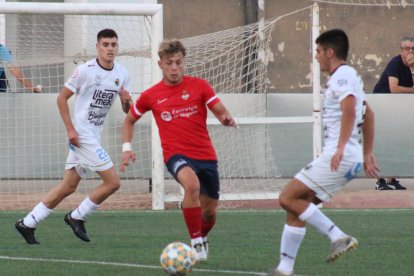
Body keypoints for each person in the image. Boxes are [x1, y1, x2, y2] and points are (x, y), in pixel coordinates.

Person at [270, 29, 380, 276]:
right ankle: (285, 268)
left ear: (330, 52)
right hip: (348, 157)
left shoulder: (342, 76)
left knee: (287, 198)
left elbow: (351, 109)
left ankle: (338, 236)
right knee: (297, 206)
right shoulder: (349, 76)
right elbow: (368, 113)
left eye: (318, 51)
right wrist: (367, 153)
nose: (316, 56)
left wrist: (341, 147)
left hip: (338, 156)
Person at [120, 39, 237, 261]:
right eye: (169, 63)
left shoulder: (200, 85)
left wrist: (226, 118)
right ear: (160, 64)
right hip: (176, 154)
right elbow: (128, 121)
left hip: (205, 155)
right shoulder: (150, 95)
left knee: (210, 212)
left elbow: (220, 110)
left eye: (178, 62)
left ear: (184, 62)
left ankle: (202, 237)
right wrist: (127, 149)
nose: (174, 68)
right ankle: (195, 243)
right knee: (191, 185)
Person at [15, 29, 132, 244]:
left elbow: (127, 111)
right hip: (81, 135)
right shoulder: (84, 70)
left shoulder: (122, 74)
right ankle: (77, 216)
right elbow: (61, 98)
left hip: (94, 135)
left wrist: (126, 101)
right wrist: (70, 129)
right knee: (113, 182)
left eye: (113, 45)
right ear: (97, 46)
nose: (110, 49)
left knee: (68, 187)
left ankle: (28, 223)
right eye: (105, 44)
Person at [371, 36, 414, 190]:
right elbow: (394, 89)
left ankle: (392, 178)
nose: (410, 52)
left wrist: (412, 68)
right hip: (382, 104)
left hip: (398, 108)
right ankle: (380, 180)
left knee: (398, 140)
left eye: (413, 49)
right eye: (407, 49)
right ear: (400, 50)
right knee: (383, 142)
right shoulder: (395, 63)